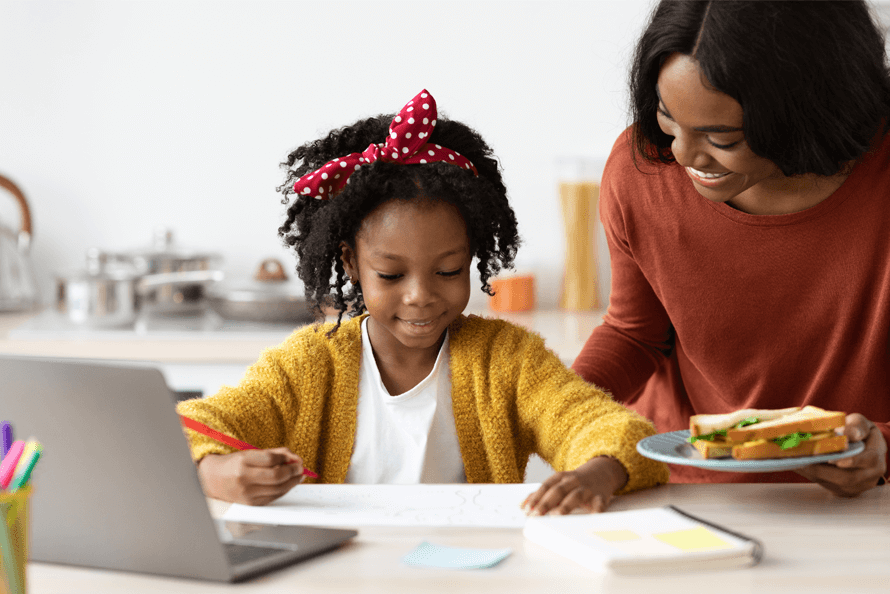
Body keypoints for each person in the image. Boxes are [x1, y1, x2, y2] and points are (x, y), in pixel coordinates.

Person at [177, 89, 668, 513]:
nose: (420, 296)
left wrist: (598, 474)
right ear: (350, 263)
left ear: (473, 257)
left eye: (448, 271)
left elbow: (611, 428)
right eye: (391, 274)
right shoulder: (306, 366)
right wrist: (213, 474)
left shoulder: (509, 361)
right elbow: (187, 427)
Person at [572, 0, 889, 496]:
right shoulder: (641, 171)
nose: (682, 154)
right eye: (667, 118)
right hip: (689, 487)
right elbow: (635, 335)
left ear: (808, 109)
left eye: (721, 137)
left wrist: (883, 450)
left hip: (868, 503)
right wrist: (557, 404)